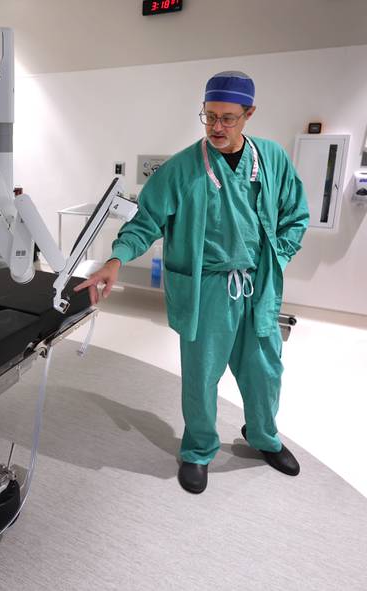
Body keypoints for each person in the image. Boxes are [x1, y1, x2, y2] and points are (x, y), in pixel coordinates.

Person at [75, 71, 309, 494]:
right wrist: (115, 259)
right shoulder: (182, 169)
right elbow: (144, 222)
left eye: (228, 118)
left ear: (249, 114)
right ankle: (199, 448)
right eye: (210, 116)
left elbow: (297, 214)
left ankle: (264, 437)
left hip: (259, 287)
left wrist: (280, 255)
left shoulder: (272, 160)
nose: (217, 127)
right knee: (202, 375)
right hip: (208, 291)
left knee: (265, 369)